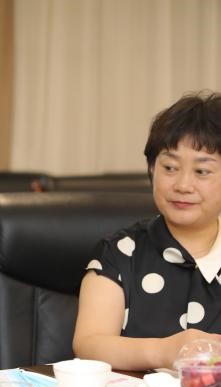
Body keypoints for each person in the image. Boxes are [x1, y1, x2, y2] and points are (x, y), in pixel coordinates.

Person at [74, 92, 221, 370]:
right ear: (152, 169)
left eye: (202, 171)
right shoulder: (119, 253)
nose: (183, 185)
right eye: (170, 167)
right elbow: (89, 344)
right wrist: (165, 352)